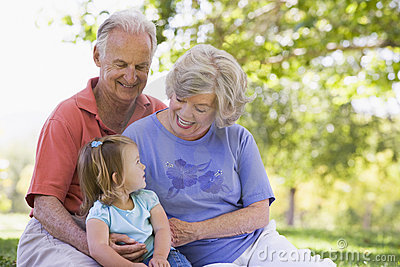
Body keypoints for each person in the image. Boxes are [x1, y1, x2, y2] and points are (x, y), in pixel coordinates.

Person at [123, 44, 336, 267]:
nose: (185, 114)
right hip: (204, 261)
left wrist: (195, 231)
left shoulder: (237, 138)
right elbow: (120, 203)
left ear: (222, 108)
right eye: (181, 99)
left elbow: (258, 214)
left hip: (257, 244)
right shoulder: (138, 138)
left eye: (201, 108)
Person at [17, 9, 167, 266]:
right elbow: (44, 205)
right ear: (98, 56)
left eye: (141, 66)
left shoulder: (158, 114)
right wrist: (95, 246)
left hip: (135, 234)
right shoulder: (66, 118)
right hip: (64, 233)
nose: (131, 77)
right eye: (120, 64)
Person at [78, 135, 191, 267]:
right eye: (137, 162)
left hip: (160, 255)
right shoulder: (100, 212)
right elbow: (98, 248)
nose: (143, 166)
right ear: (118, 179)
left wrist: (159, 256)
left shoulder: (148, 198)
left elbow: (162, 229)